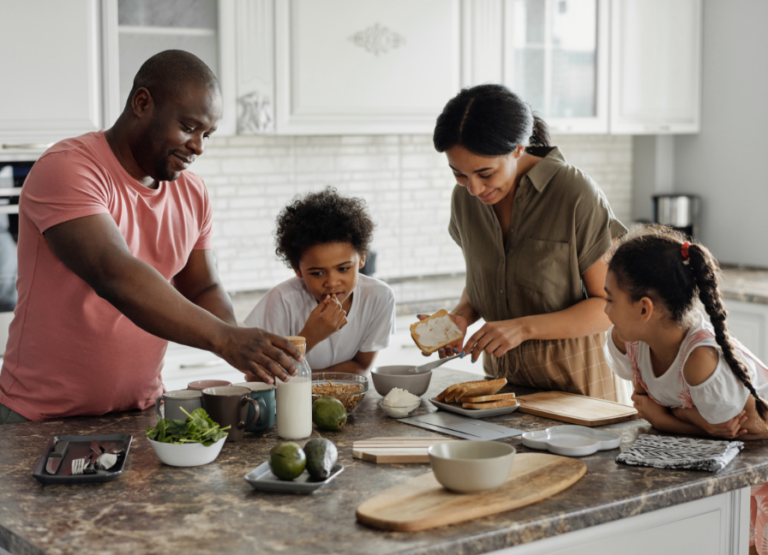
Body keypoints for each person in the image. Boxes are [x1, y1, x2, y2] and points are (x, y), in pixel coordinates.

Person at [0, 50, 301, 424]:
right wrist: (225, 339)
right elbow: (114, 273)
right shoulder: (68, 168)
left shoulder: (192, 193)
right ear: (142, 103)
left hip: (141, 412)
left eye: (207, 134)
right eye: (189, 127)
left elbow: (203, 286)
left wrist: (242, 346)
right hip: (39, 417)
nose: (199, 146)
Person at [427, 83, 626, 400]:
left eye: (485, 173)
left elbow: (610, 307)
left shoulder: (574, 193)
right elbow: (487, 281)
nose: (475, 189)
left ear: (518, 149)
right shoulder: (464, 201)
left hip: (580, 393)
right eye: (459, 174)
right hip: (502, 392)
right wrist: (461, 317)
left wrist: (522, 328)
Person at [600, 225, 768, 555]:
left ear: (644, 309)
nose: (604, 309)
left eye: (609, 298)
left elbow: (745, 432)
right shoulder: (630, 340)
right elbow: (667, 411)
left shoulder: (700, 361)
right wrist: (694, 420)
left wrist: (666, 421)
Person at [245, 187, 395, 376]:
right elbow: (256, 376)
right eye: (317, 273)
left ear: (362, 258)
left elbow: (360, 366)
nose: (331, 282)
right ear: (297, 269)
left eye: (343, 269)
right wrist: (310, 335)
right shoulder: (282, 300)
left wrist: (304, 376)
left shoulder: (379, 297)